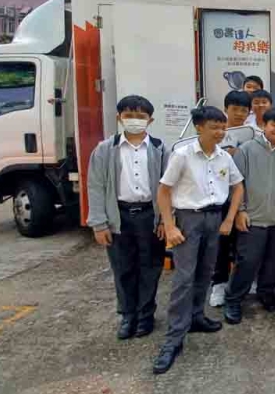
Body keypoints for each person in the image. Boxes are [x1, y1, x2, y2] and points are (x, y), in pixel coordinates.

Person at [153, 106, 244, 374]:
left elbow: (238, 186)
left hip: (214, 219)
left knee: (205, 272)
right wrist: (169, 225)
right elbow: (163, 191)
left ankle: (196, 316)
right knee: (184, 278)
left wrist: (229, 218)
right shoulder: (182, 155)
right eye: (214, 127)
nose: (220, 132)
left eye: (222, 127)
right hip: (188, 219)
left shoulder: (224, 157)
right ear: (199, 127)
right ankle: (174, 337)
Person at [87, 95, 169, 340]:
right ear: (119, 117)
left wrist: (165, 220)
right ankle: (128, 315)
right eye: (129, 115)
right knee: (123, 268)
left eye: (141, 116)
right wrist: (99, 223)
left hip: (149, 216)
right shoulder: (105, 149)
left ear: (150, 120)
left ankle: (146, 315)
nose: (135, 120)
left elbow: (168, 187)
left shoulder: (159, 149)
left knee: (150, 267)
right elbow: (96, 186)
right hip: (119, 216)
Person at [224, 108, 275, 324]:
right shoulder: (246, 149)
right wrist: (240, 211)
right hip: (253, 217)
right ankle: (233, 299)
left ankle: (266, 291)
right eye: (274, 124)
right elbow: (236, 183)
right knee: (247, 261)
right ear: (264, 125)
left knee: (274, 261)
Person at [209, 90, 253, 308]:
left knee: (243, 242)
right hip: (218, 197)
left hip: (244, 196)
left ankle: (241, 281)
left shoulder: (252, 135)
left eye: (244, 110)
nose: (239, 114)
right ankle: (218, 284)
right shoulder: (215, 133)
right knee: (221, 243)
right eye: (235, 109)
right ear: (226, 109)